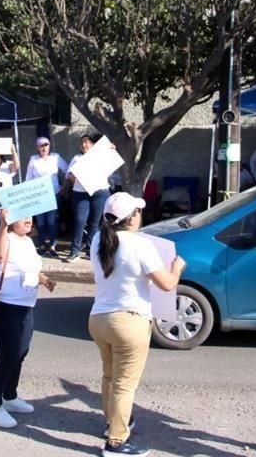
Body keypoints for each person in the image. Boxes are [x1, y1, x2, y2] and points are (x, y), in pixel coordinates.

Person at [89, 192, 186, 457]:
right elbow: (166, 283)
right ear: (131, 218)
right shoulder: (140, 245)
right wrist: (177, 268)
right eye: (138, 211)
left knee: (110, 376)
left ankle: (112, 423)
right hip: (129, 321)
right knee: (124, 384)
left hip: (99, 319)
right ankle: (116, 442)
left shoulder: (99, 239)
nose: (140, 215)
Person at [0, 208, 57, 429]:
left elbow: (29, 268)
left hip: (25, 305)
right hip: (5, 305)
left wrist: (44, 279)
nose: (28, 219)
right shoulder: (3, 237)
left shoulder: (26, 242)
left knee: (21, 353)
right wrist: (3, 224)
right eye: (22, 216)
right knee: (9, 355)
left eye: (30, 216)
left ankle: (9, 395)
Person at [66, 134, 111, 263]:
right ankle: (74, 251)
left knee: (95, 223)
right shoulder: (77, 158)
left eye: (87, 142)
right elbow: (69, 176)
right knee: (80, 221)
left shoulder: (101, 157)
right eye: (82, 143)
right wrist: (75, 177)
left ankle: (91, 250)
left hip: (99, 192)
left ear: (93, 145)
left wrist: (109, 149)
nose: (84, 145)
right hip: (80, 193)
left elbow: (112, 157)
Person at [25, 136, 68, 257]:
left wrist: (64, 185)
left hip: (53, 194)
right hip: (39, 195)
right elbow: (28, 178)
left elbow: (67, 170)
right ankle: (42, 245)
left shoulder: (56, 157)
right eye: (41, 146)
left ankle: (53, 246)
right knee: (41, 222)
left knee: (52, 221)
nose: (44, 148)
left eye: (46, 145)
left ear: (49, 146)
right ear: (37, 147)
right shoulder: (33, 159)